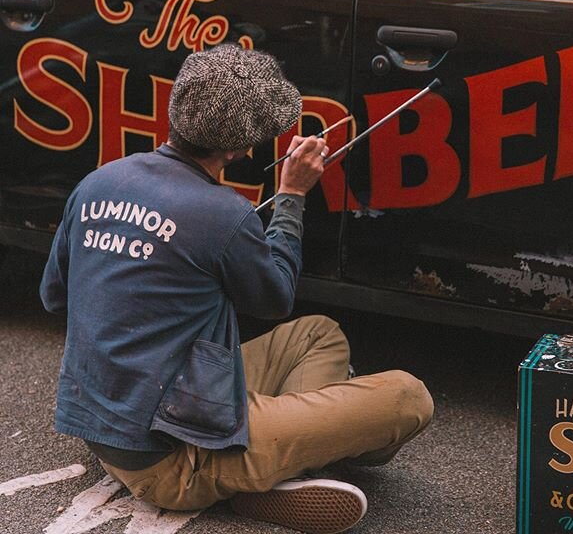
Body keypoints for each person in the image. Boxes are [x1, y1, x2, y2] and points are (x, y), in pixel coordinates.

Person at [40, 44, 434, 534]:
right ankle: (271, 469)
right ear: (240, 148)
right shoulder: (222, 213)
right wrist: (291, 197)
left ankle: (287, 459)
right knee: (406, 397)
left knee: (317, 334)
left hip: (108, 420)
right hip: (167, 458)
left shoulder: (100, 181)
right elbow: (273, 299)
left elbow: (53, 296)